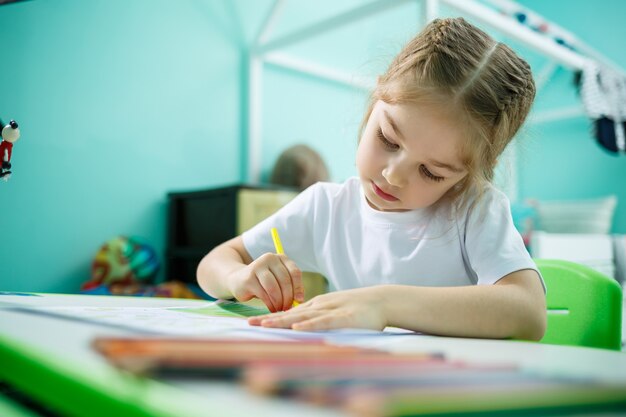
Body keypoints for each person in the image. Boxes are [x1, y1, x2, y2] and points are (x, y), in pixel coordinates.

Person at [197, 18, 546, 340]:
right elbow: (214, 263)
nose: (393, 176)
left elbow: (528, 313)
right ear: (376, 96)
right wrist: (239, 277)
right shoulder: (325, 208)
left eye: (431, 172)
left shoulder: (474, 210)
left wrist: (385, 305)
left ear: (474, 171)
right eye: (389, 140)